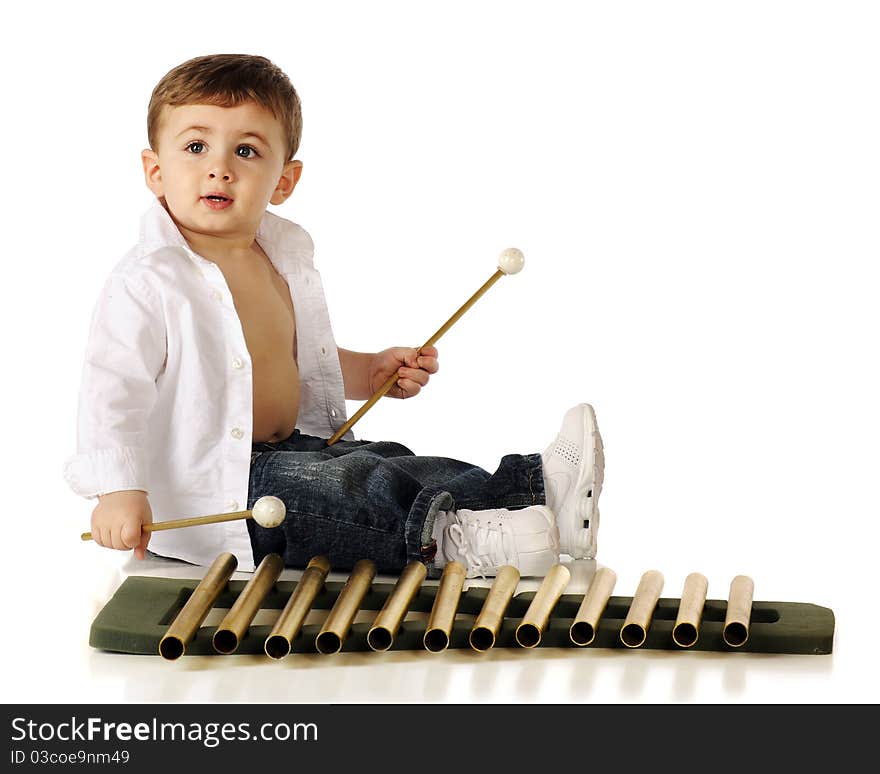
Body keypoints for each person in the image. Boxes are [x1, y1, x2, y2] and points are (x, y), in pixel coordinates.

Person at [63, 54, 604, 579]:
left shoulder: (277, 257)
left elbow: (293, 359)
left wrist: (368, 371)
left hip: (294, 448)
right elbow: (113, 392)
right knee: (346, 490)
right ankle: (452, 541)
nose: (219, 168)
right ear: (155, 171)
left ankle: (537, 496)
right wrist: (118, 489)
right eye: (196, 146)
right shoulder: (147, 280)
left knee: (388, 462)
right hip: (223, 491)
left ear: (284, 181)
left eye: (246, 151)